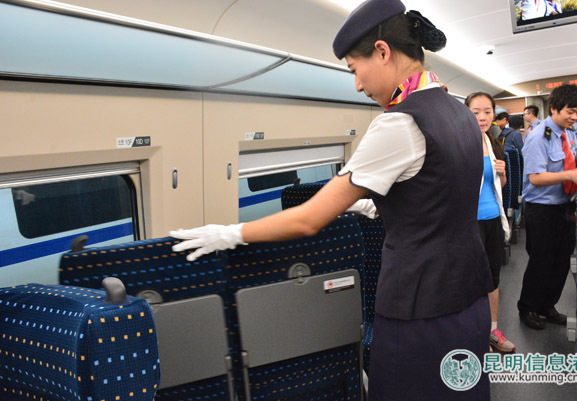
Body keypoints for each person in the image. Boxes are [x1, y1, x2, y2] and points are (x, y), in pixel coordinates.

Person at [170, 0, 493, 399]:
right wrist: (374, 204)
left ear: (382, 52)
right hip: (470, 301)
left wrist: (230, 234)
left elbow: (309, 219)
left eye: (355, 69)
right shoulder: (461, 114)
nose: (357, 85)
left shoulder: (400, 122)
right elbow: (441, 194)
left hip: (419, 312)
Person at [518, 84, 577, 330]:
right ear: (554, 109)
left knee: (562, 260)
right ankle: (528, 308)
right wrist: (570, 175)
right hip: (541, 208)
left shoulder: (569, 132)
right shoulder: (538, 136)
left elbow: (572, 154)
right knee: (541, 260)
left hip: (566, 205)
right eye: (570, 112)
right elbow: (535, 178)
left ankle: (547, 306)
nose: (575, 117)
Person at [466, 92, 515, 353]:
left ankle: (493, 330)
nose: (482, 117)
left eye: (487, 112)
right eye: (475, 112)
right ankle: (473, 333)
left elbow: (499, 186)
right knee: (471, 279)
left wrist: (503, 174)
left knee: (493, 277)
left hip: (492, 218)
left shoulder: (494, 145)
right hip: (468, 223)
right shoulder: (459, 145)